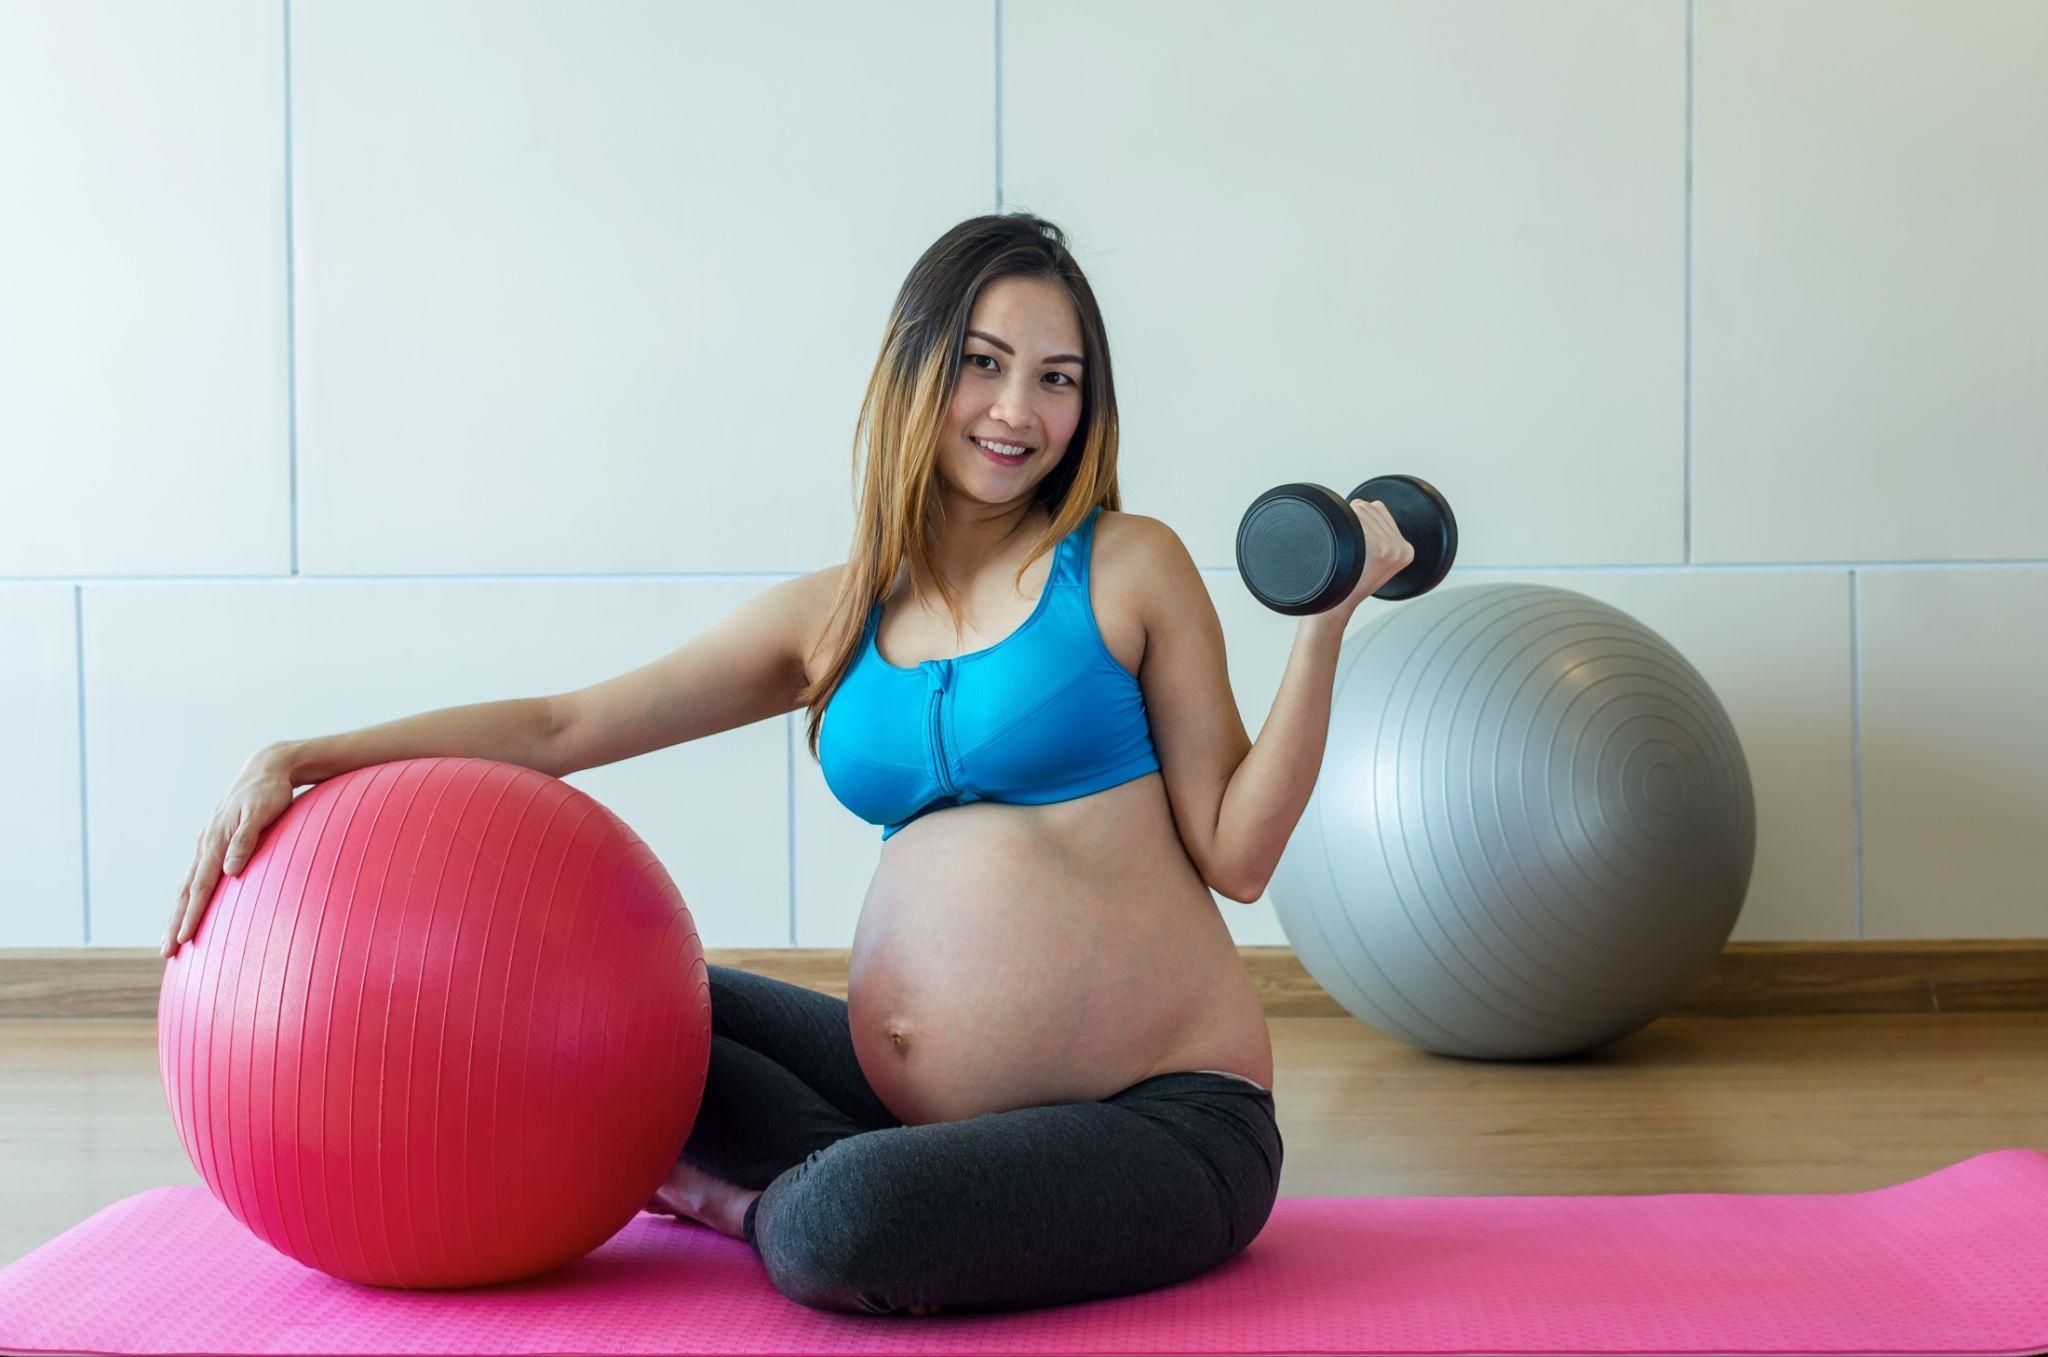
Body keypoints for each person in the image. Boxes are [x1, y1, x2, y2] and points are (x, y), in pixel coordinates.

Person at [164, 212, 1415, 1316]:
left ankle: (766, 1203)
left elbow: (1240, 857)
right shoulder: (836, 614)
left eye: (1056, 379)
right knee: (623, 1010)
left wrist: (1323, 623)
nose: (1016, 412)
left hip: (1161, 1124)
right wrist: (306, 754)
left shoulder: (1130, 565)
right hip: (906, 1100)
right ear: (918, 369)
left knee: (840, 1229)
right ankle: (870, 1172)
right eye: (982, 365)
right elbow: (566, 728)